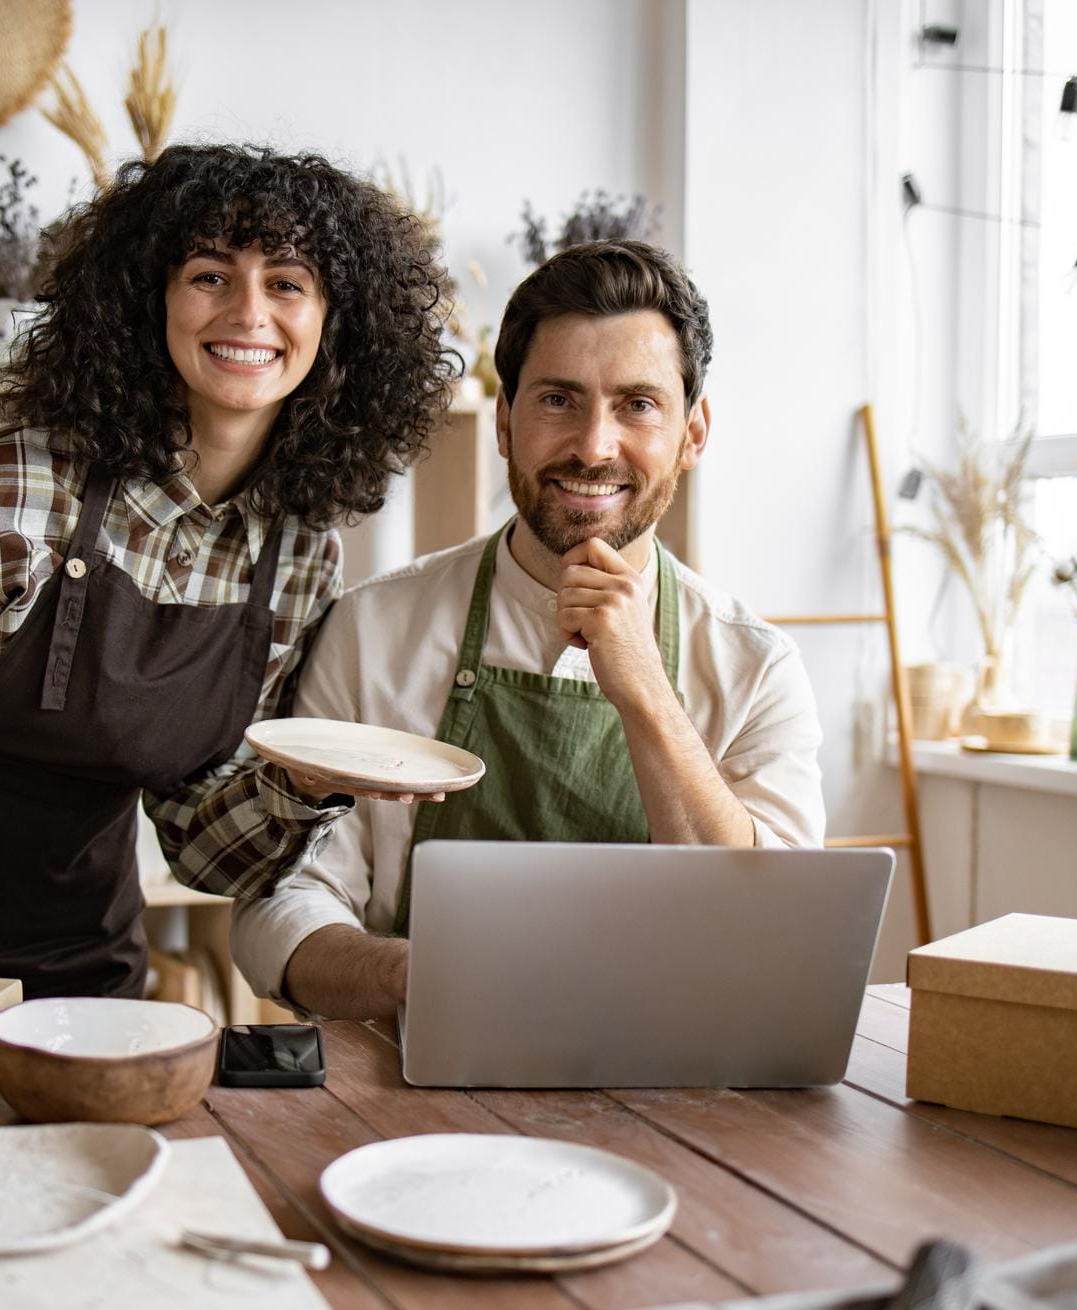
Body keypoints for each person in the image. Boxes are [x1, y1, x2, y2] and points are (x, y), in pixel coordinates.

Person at [0, 144, 459, 1000]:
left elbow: (203, 847)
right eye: (211, 275)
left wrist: (303, 786)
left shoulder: (297, 557)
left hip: (78, 962)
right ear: (150, 300)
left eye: (287, 282)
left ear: (336, 324)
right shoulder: (1, 491)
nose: (249, 312)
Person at [230, 239, 825, 1020]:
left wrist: (646, 689)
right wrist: (416, 977)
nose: (593, 444)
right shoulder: (373, 628)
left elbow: (781, 939)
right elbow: (281, 901)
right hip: (410, 1084)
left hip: (680, 1096)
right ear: (504, 421)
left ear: (694, 433)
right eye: (558, 399)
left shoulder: (756, 668)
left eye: (638, 404)